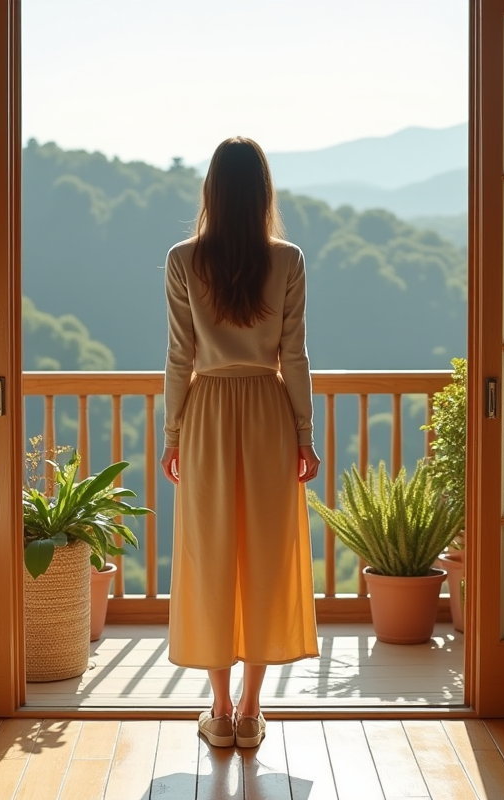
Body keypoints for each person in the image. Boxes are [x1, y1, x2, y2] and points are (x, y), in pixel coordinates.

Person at [161, 136, 321, 749]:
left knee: (211, 555)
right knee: (265, 556)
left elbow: (180, 357)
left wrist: (173, 434)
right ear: (262, 194)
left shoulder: (182, 260)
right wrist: (305, 435)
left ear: (210, 192)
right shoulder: (288, 260)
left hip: (205, 413)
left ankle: (220, 711)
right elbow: (296, 355)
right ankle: (253, 712)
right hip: (267, 413)